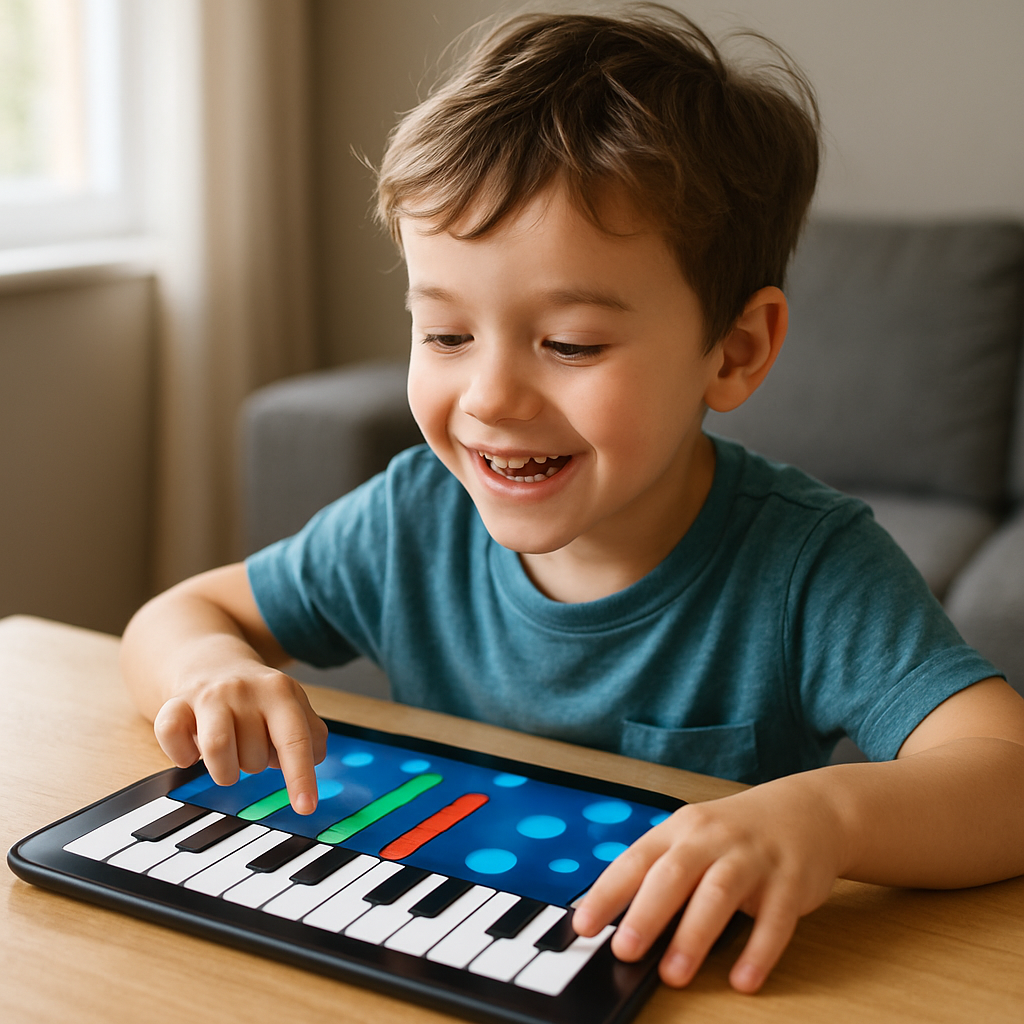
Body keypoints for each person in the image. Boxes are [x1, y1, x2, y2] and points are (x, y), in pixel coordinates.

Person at [121, 5, 1024, 995]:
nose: (490, 398)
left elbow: (1005, 772)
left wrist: (826, 817)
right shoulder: (412, 517)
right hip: (432, 947)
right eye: (446, 334)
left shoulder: (809, 565)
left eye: (570, 344)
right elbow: (180, 614)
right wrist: (210, 670)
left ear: (734, 351)